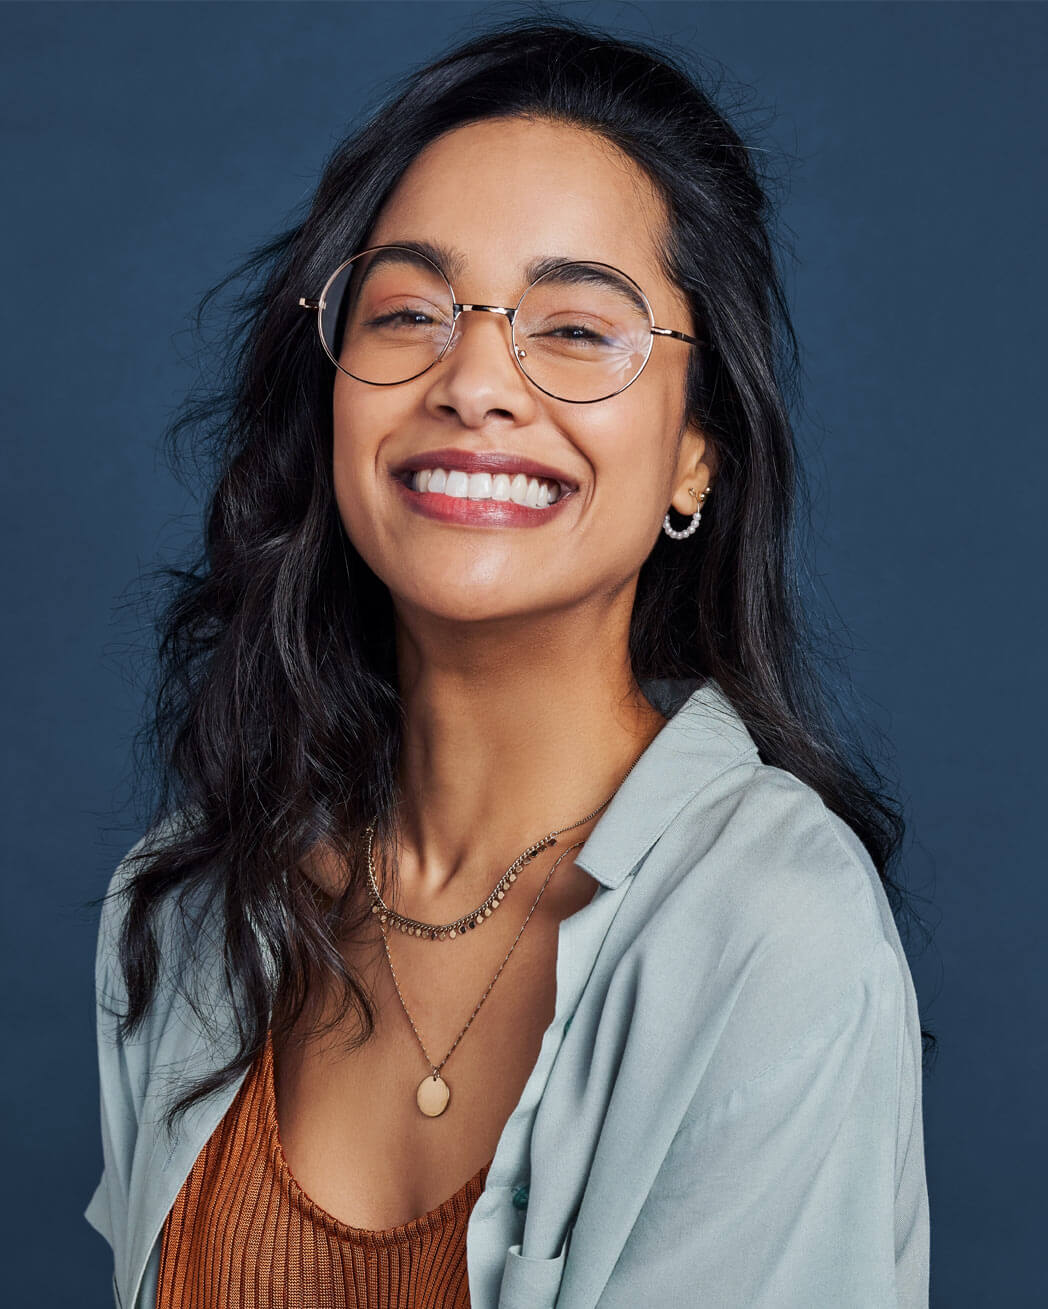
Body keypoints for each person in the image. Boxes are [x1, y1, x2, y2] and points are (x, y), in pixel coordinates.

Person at [84, 15, 932, 1309]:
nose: (475, 377)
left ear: (697, 454)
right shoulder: (187, 906)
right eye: (410, 309)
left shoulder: (772, 931)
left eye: (580, 328)